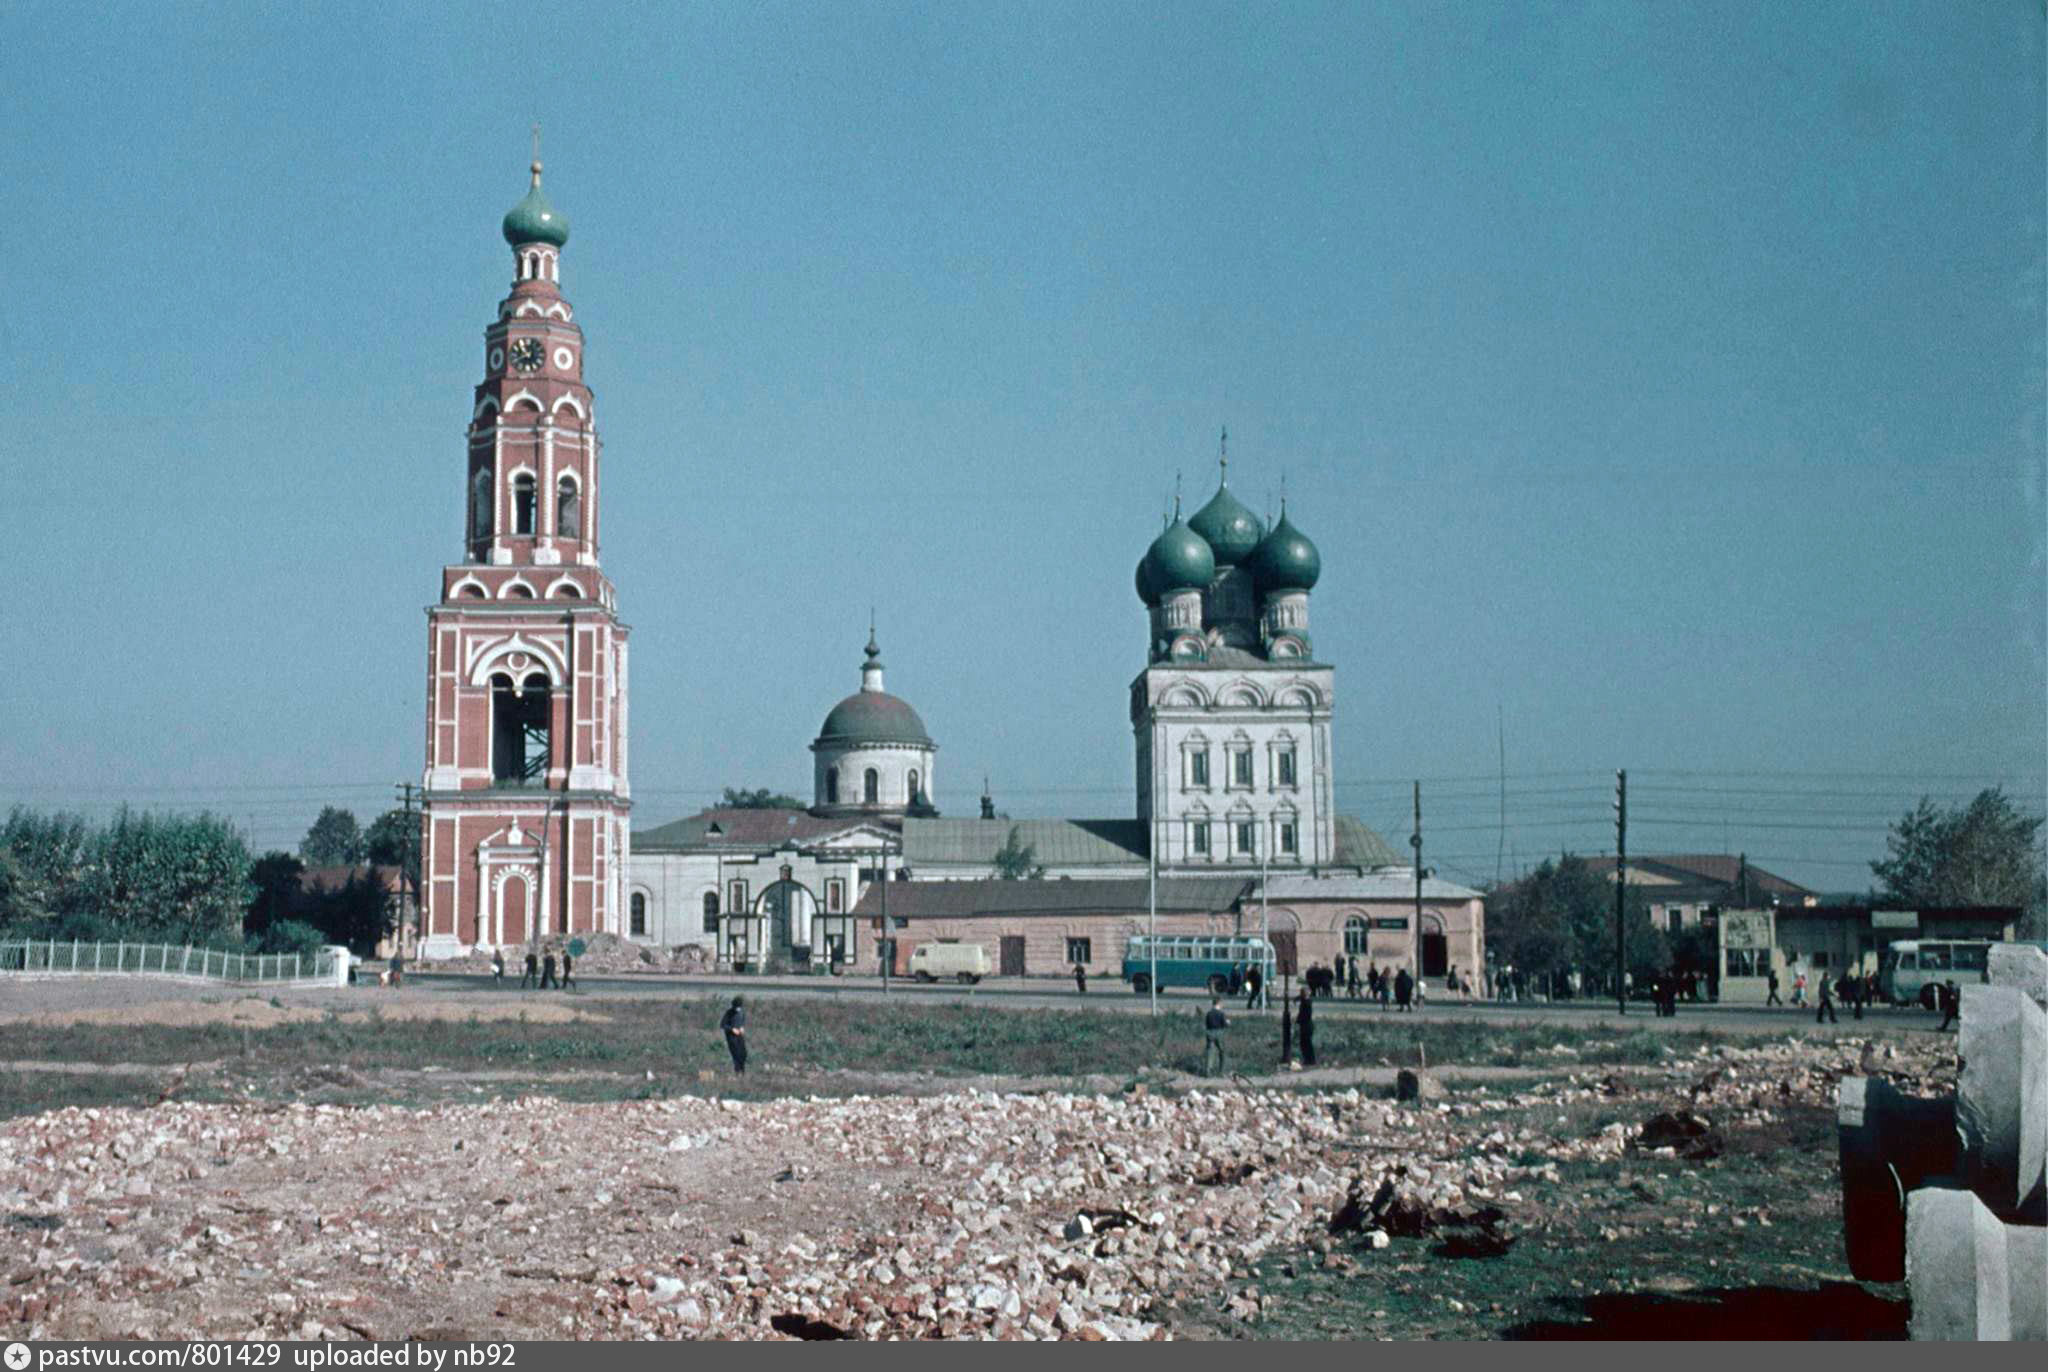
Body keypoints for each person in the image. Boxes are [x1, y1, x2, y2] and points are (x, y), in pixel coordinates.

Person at [719, 995, 748, 1074]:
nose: (738, 1009)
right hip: (731, 1037)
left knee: (743, 1054)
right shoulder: (729, 1013)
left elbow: (743, 1021)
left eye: (739, 1007)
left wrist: (742, 1027)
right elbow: (722, 1025)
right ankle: (737, 1072)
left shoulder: (742, 1012)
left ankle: (743, 1071)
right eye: (737, 1007)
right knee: (736, 1054)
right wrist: (732, 1029)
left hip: (740, 1036)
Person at [1202, 996, 1230, 1077]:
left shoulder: (1209, 1013)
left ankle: (1207, 1071)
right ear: (1219, 1003)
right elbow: (1224, 1024)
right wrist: (1228, 1023)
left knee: (1210, 1052)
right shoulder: (1221, 1014)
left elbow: (1207, 1024)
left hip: (1210, 1033)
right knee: (1222, 1051)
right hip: (1219, 1033)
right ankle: (1221, 1071)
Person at [1295, 986, 1316, 1068]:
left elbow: (1305, 1015)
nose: (1301, 994)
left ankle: (1310, 1060)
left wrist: (1298, 1020)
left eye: (1302, 992)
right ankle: (1308, 1059)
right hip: (1306, 1025)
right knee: (1304, 1043)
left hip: (1306, 1025)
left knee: (1306, 1043)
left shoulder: (1307, 1003)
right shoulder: (1305, 1000)